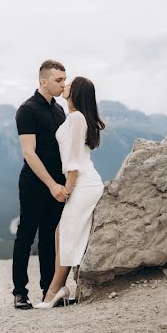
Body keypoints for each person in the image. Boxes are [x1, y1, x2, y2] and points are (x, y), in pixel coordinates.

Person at [34, 75, 106, 308]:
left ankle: (54, 291)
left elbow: (74, 159)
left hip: (83, 183)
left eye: (69, 85)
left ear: (76, 93)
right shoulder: (74, 117)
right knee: (61, 232)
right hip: (82, 181)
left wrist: (67, 187)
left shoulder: (76, 118)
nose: (64, 86)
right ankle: (60, 288)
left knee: (64, 232)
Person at [12, 59, 69, 310]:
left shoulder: (59, 111)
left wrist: (64, 182)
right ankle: (19, 292)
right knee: (26, 235)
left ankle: (49, 290)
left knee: (49, 236)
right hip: (35, 183)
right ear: (43, 81)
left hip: (57, 183)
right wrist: (50, 184)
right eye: (58, 80)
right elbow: (29, 153)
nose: (62, 84)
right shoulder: (27, 110)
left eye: (64, 80)